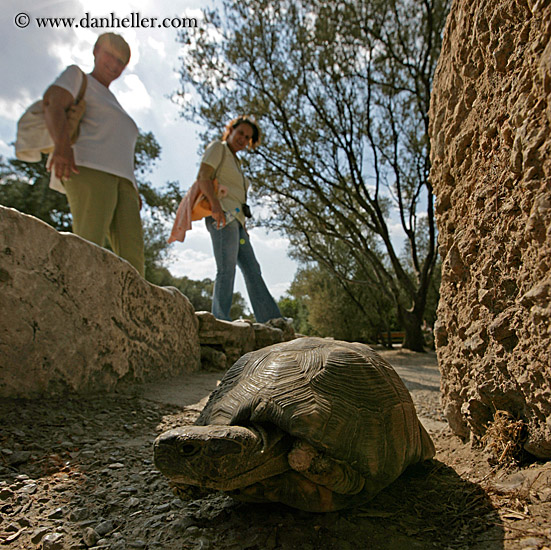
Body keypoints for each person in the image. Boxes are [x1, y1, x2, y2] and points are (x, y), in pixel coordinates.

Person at [42, 32, 145, 276]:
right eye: (110, 54)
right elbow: (52, 103)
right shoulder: (78, 77)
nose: (115, 64)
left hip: (125, 183)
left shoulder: (114, 101)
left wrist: (133, 185)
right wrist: (62, 146)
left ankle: (130, 313)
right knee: (88, 244)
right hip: (88, 167)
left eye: (122, 61)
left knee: (134, 258)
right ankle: (72, 309)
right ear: (96, 51)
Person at [197, 115, 282, 323]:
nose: (243, 139)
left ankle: (271, 320)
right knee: (226, 268)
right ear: (231, 130)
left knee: (252, 268)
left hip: (237, 222)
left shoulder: (237, 161)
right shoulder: (219, 148)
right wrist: (215, 205)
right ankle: (221, 320)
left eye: (248, 137)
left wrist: (244, 225)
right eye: (241, 133)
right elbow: (203, 176)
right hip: (222, 215)